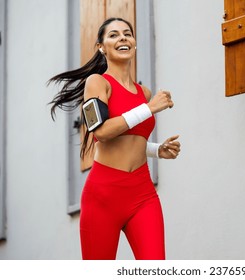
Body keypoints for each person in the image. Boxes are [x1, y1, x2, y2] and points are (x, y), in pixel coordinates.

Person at [47, 17, 180, 260]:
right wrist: (148, 109)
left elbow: (130, 136)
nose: (122, 38)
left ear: (134, 43)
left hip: (143, 193)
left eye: (127, 33)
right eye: (114, 35)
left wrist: (156, 149)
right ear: (102, 47)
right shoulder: (97, 83)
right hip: (103, 196)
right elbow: (101, 132)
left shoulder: (144, 93)